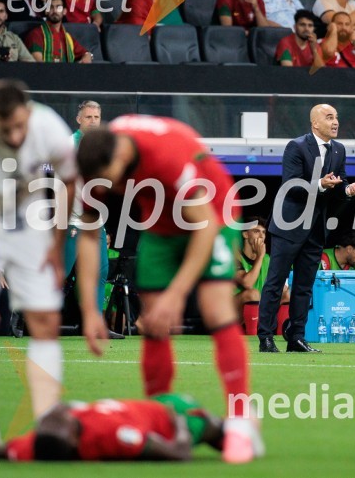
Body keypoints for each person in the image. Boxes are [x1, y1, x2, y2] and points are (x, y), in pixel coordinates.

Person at [74, 115, 263, 463]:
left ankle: (240, 421)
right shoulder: (95, 161)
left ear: (119, 156)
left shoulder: (165, 155)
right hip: (160, 222)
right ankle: (160, 417)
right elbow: (88, 233)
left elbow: (204, 228)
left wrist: (176, 295)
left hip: (213, 212)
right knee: (155, 321)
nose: (110, 188)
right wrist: (89, 310)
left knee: (216, 309)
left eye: (111, 178)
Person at [0, 79, 76, 446]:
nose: (16, 135)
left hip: (32, 226)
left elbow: (68, 183)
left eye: (20, 125)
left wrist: (56, 243)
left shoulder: (51, 127)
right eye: (8, 129)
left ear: (29, 112)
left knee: (46, 321)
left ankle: (45, 427)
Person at [257, 104, 355, 354]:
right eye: (329, 117)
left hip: (315, 228)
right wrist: (320, 184)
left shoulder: (338, 149)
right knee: (275, 282)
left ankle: (296, 338)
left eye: (336, 117)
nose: (335, 122)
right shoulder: (297, 146)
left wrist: (347, 190)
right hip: (289, 225)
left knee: (305, 285)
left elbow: (339, 182)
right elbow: (291, 185)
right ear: (315, 123)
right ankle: (266, 338)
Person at [0, 394, 224, 461]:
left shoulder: (42, 441)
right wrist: (180, 424)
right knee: (212, 424)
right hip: (167, 419)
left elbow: (3, 450)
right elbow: (178, 452)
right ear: (75, 435)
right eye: (64, 415)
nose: (63, 409)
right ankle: (236, 435)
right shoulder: (114, 437)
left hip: (146, 404)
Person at [63, 100, 111, 327]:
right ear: (78, 119)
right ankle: (26, 318)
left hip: (96, 222)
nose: (93, 121)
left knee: (100, 272)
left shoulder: (104, 146)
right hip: (71, 221)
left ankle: (95, 323)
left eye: (97, 117)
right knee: (60, 274)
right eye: (89, 117)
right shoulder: (68, 145)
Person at [235, 217, 290, 336]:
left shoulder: (267, 259)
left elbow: (280, 287)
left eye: (264, 232)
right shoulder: (235, 256)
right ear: (245, 234)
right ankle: (253, 337)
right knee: (253, 293)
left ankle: (281, 336)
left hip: (257, 307)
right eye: (256, 231)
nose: (261, 236)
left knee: (287, 294)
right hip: (232, 311)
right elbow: (247, 283)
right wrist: (259, 257)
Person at [24, 0, 93, 62]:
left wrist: (88, 56)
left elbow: (86, 53)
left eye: (58, 7)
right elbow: (38, 64)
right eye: (51, 7)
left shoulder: (67, 37)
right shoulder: (36, 34)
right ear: (46, 11)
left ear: (64, 11)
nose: (54, 11)